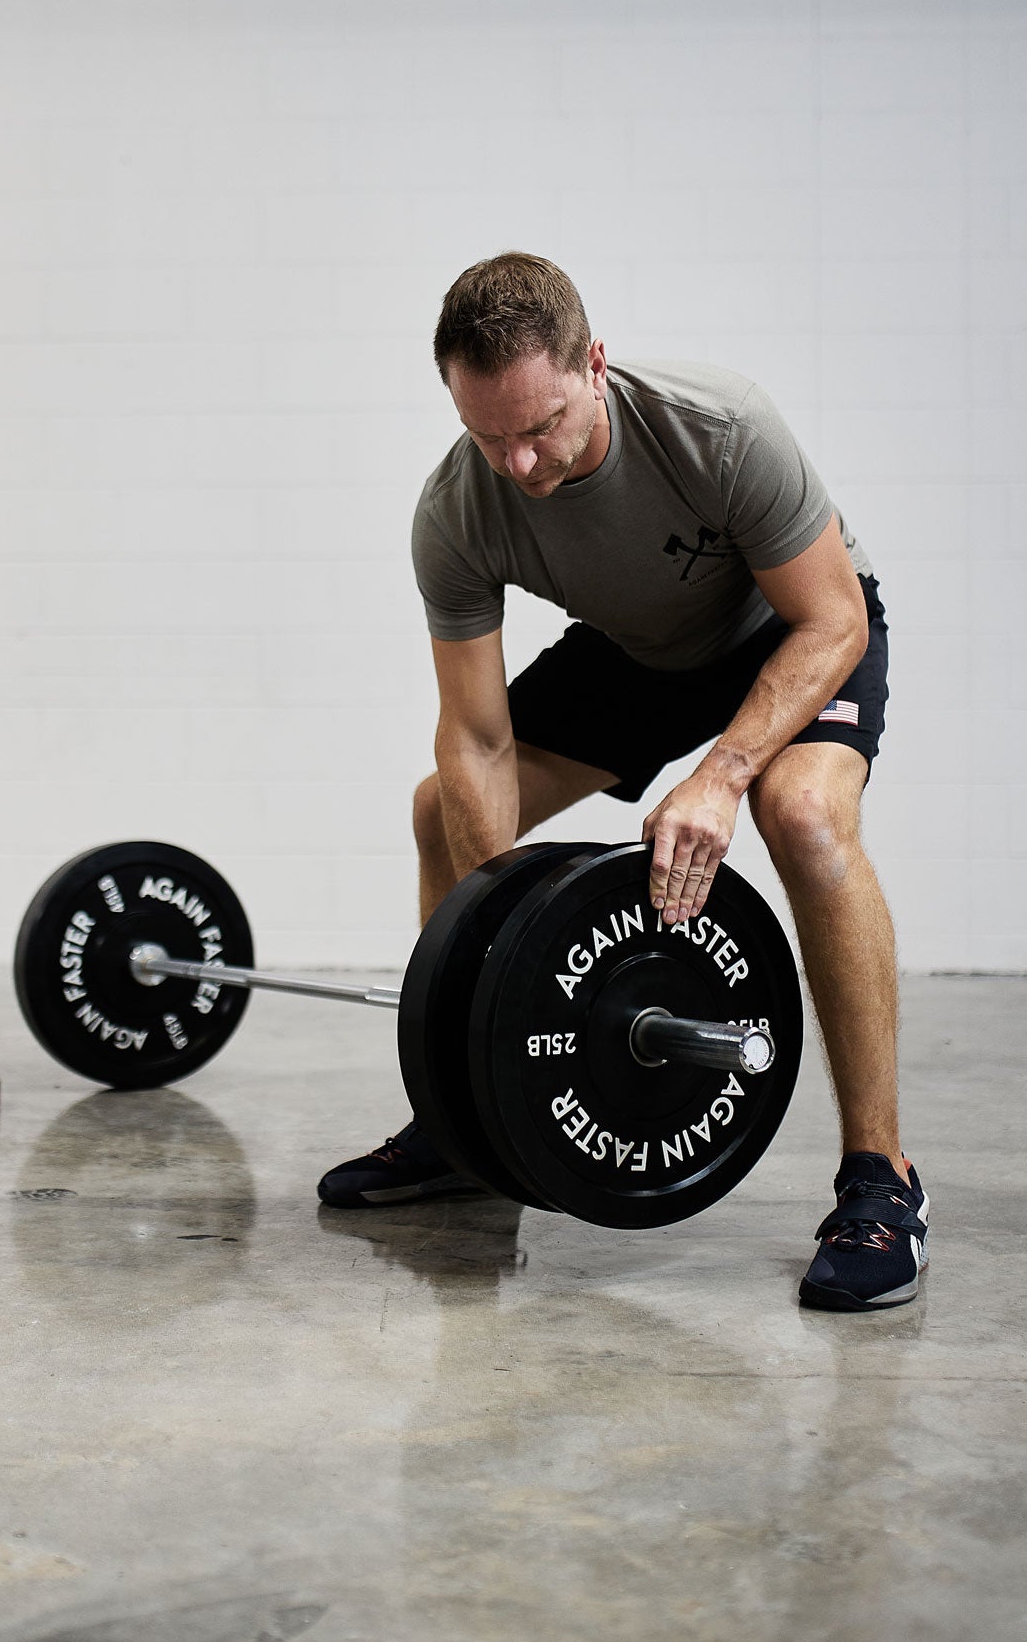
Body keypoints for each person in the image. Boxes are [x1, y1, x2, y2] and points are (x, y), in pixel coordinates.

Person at [317, 252, 928, 1312]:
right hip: (643, 655)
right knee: (439, 815)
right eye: (487, 433)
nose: (517, 461)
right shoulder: (459, 511)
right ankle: (465, 1131)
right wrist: (501, 931)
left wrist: (722, 774)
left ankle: (882, 1181)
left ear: (592, 365)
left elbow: (835, 619)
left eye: (540, 424)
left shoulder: (716, 428)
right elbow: (473, 736)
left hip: (786, 628)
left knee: (803, 814)